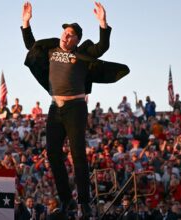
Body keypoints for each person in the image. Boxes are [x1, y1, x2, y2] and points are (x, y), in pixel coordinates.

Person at [21, 1, 129, 218]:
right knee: (52, 154)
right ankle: (66, 200)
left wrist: (102, 23)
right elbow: (31, 46)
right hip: (55, 107)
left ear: (77, 39)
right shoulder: (51, 50)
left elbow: (101, 48)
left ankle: (84, 202)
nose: (65, 36)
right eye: (64, 32)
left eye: (70, 34)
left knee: (78, 155)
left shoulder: (81, 52)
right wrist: (26, 23)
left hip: (76, 107)